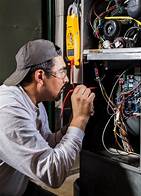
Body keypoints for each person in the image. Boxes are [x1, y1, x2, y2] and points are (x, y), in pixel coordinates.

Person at [0, 39, 95, 196]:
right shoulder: (9, 111)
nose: (66, 79)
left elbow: (44, 143)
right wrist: (79, 121)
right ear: (40, 76)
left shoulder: (33, 99)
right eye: (61, 72)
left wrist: (68, 128)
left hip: (18, 187)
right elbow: (53, 174)